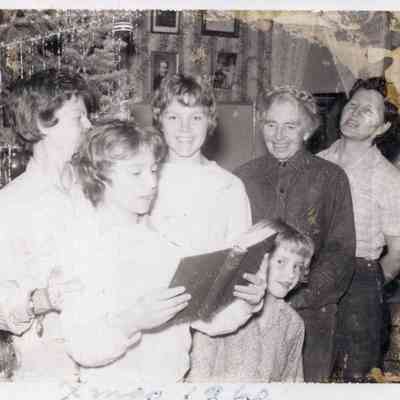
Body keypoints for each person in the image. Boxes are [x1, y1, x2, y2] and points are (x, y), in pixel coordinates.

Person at [47, 119, 268, 386]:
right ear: (99, 176)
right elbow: (82, 348)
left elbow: (207, 319)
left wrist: (246, 300)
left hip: (172, 386)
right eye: (136, 173)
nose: (152, 182)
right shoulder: (81, 245)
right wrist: (132, 321)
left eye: (154, 170)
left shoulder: (166, 243)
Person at [234, 86, 356, 382]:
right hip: (250, 314)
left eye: (290, 126)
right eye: (271, 124)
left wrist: (297, 296)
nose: (278, 135)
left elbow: (340, 253)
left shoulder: (331, 178)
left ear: (308, 130)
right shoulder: (241, 178)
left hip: (311, 317)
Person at [149, 74, 265, 380]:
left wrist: (249, 299)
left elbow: (240, 266)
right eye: (174, 117)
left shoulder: (229, 187)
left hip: (204, 335)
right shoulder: (143, 177)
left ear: (210, 121)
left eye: (196, 117)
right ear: (159, 119)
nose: (184, 129)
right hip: (147, 334)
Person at [0, 68, 96, 381]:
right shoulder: (11, 204)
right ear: (42, 123)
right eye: (78, 117)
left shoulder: (95, 188)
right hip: (47, 364)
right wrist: (41, 300)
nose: (89, 125)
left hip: (105, 353)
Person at [319, 77, 400, 382]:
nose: (355, 114)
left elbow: (397, 254)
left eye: (368, 111)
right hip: (312, 278)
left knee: (356, 378)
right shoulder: (316, 163)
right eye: (353, 105)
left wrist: (366, 283)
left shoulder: (387, 178)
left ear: (383, 127)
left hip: (360, 285)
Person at [188, 220, 315, 382]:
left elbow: (291, 386)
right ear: (255, 259)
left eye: (298, 266)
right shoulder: (222, 316)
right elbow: (197, 380)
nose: (291, 274)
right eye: (281, 262)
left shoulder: (293, 324)